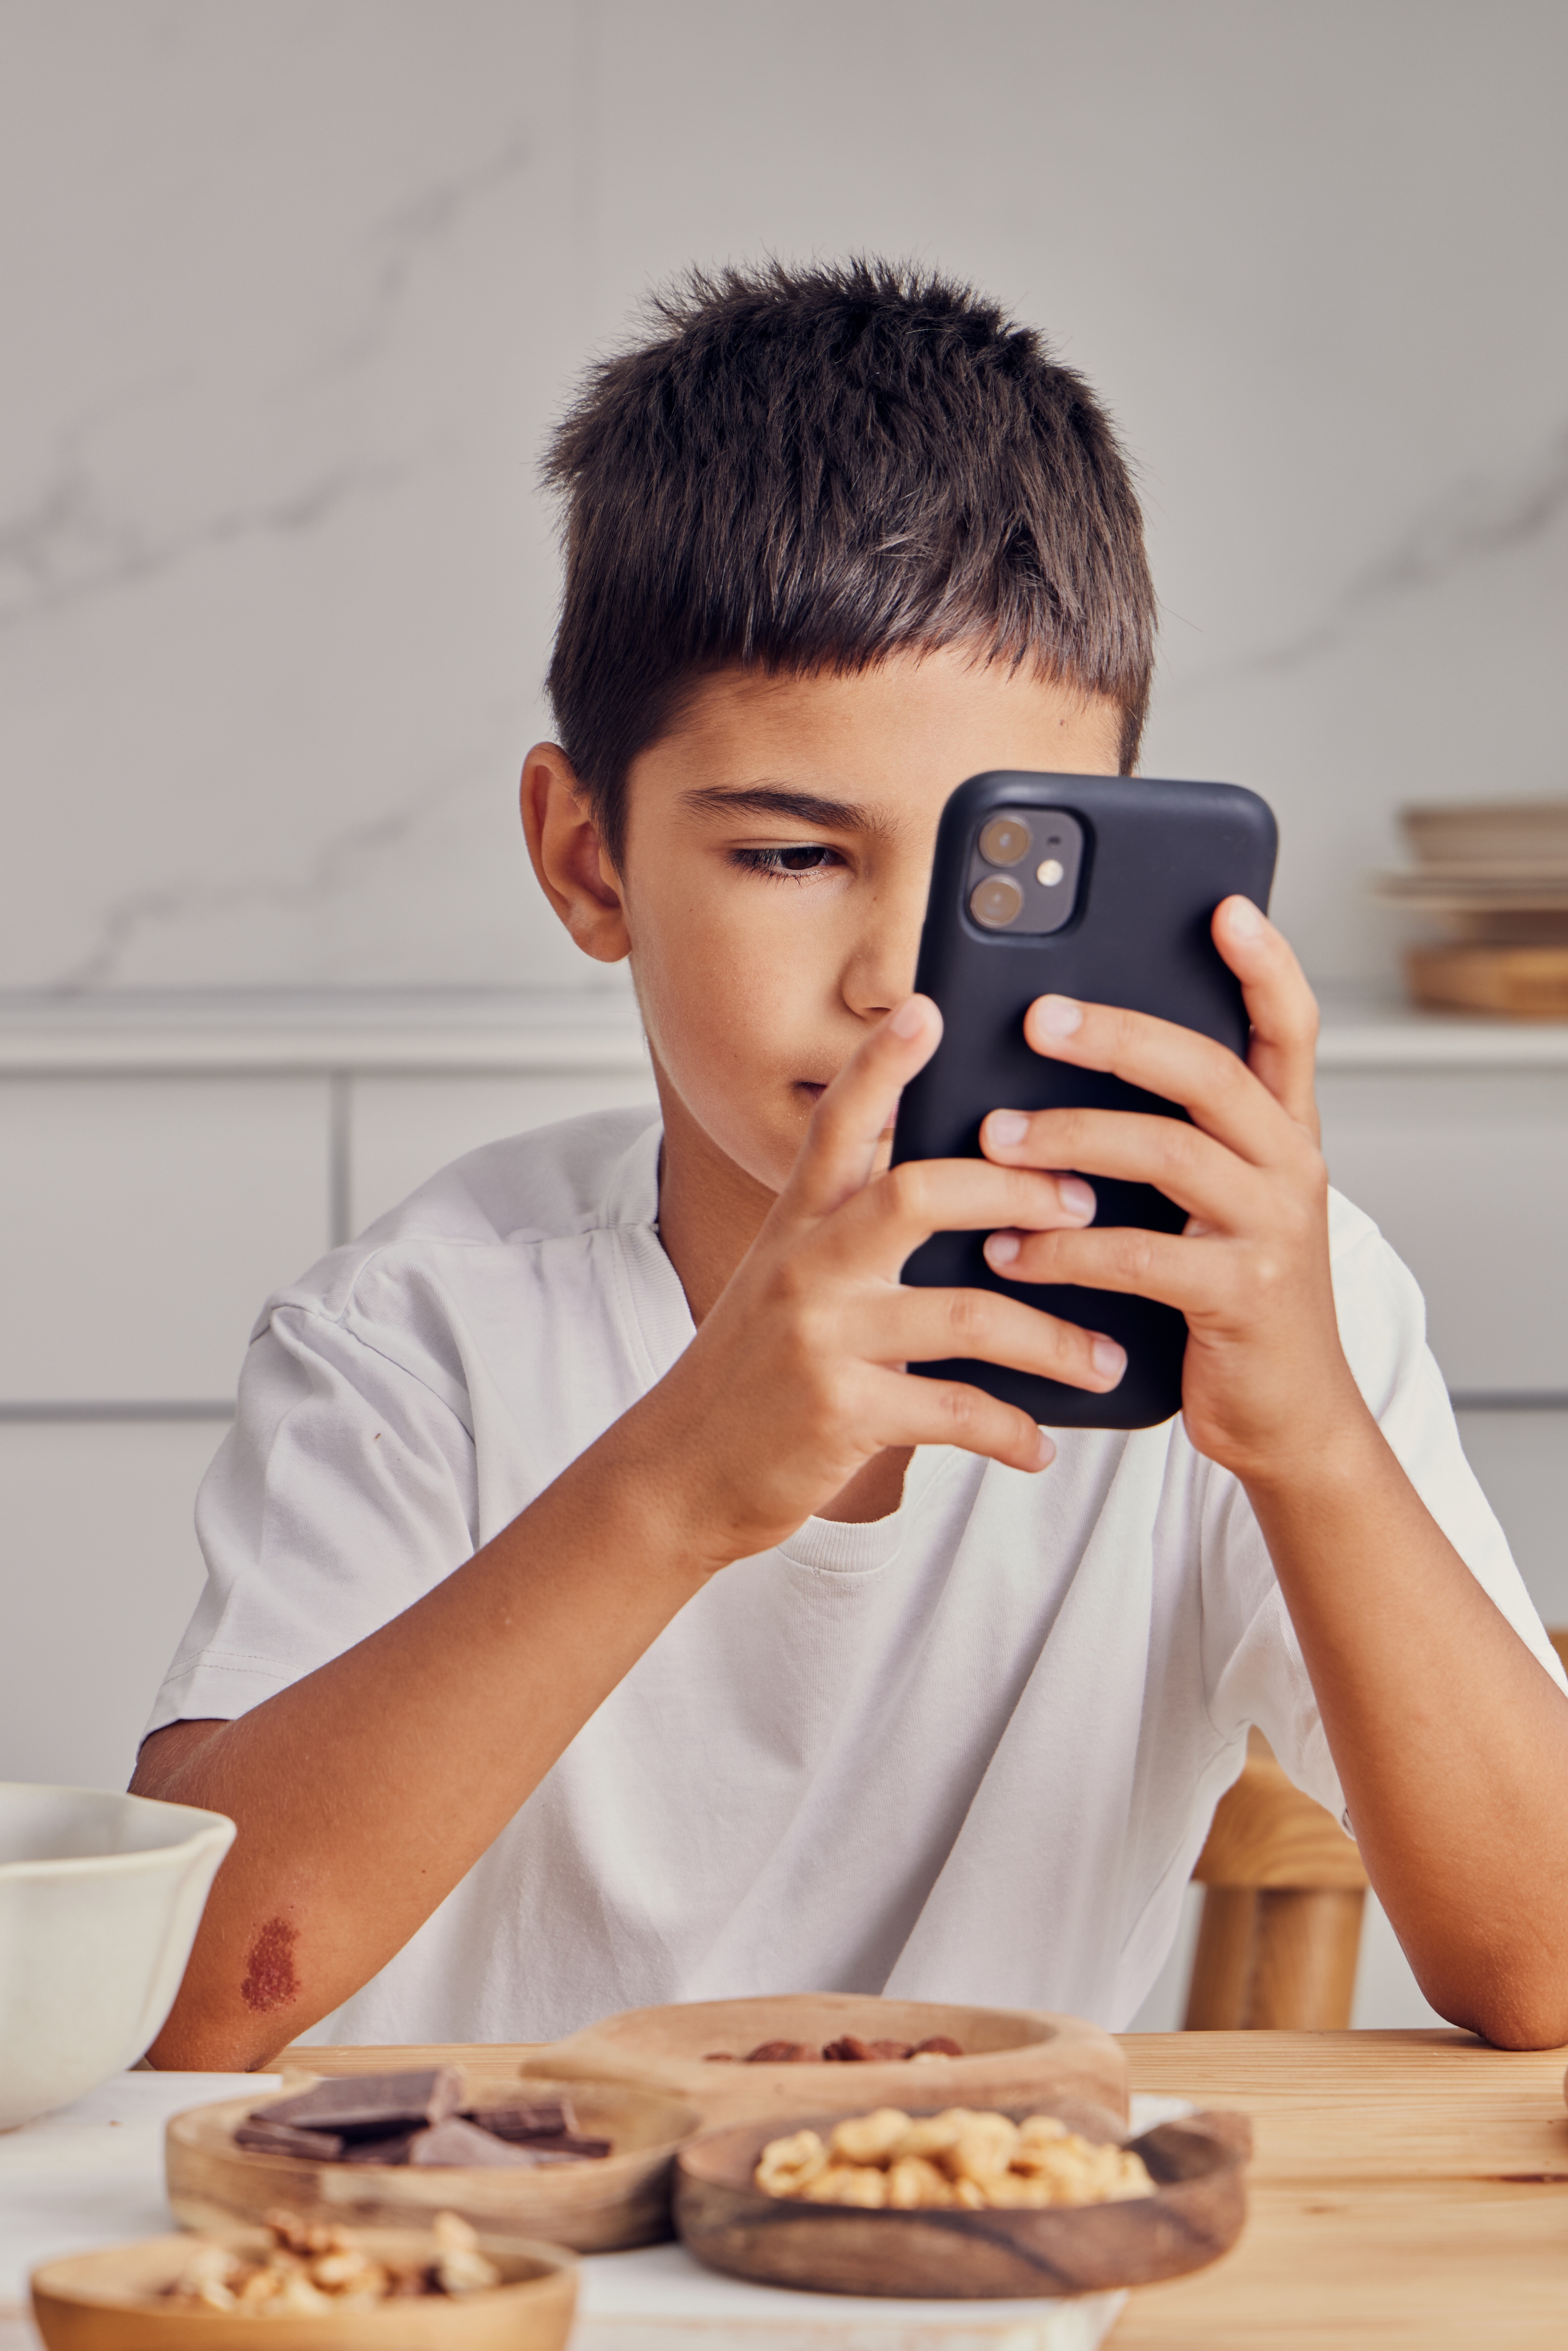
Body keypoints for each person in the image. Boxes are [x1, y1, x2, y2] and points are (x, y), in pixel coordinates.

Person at [134, 260, 1568, 2069]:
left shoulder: (1256, 1296)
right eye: (796, 855)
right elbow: (189, 2000)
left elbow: (1550, 1972)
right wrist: (685, 1479)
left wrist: (1313, 1440)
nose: (899, 974)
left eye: (1009, 872)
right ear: (589, 861)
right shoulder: (417, 1339)